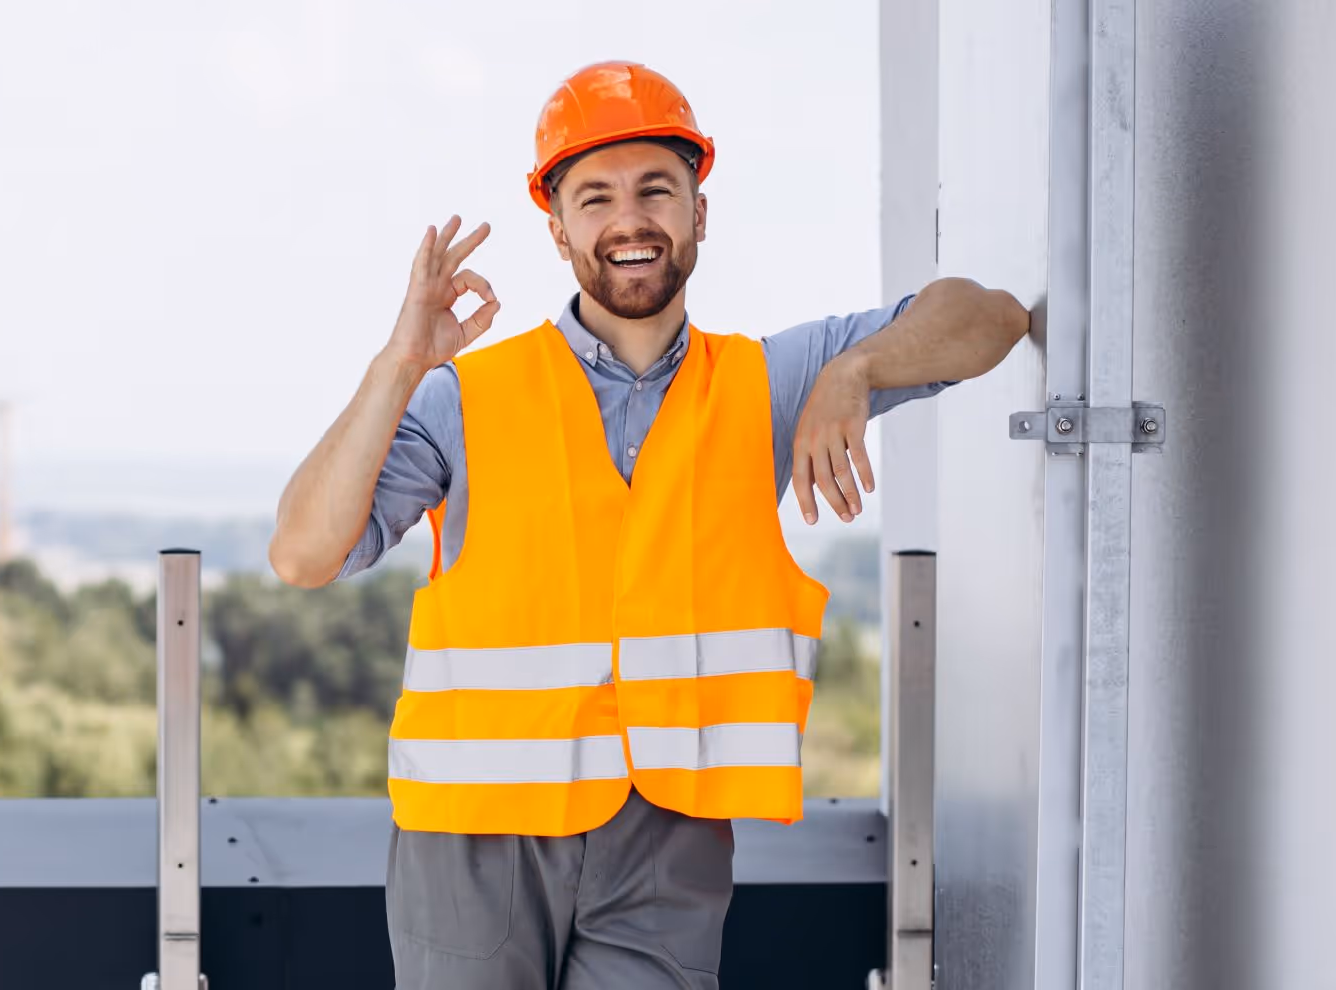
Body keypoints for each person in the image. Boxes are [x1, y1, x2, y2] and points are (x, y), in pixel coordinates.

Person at [265, 62, 1027, 990]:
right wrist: (398, 364)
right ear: (559, 229)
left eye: (656, 190)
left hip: (666, 835)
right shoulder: (464, 396)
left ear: (699, 211)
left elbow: (987, 318)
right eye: (595, 198)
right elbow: (305, 555)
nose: (629, 220)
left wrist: (858, 369)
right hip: (473, 832)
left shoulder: (771, 381)